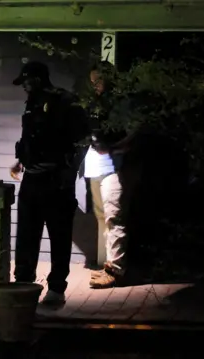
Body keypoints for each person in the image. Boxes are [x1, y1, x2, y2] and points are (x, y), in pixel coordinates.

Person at [10, 61, 87, 307]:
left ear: (38, 79)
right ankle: (23, 284)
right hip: (32, 177)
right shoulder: (32, 103)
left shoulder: (65, 101)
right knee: (26, 235)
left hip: (57, 180)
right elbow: (31, 138)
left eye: (27, 81)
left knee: (59, 235)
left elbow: (82, 140)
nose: (24, 87)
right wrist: (20, 161)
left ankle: (56, 288)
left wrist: (70, 171)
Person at [78, 62, 129, 289]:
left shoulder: (121, 103)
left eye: (99, 80)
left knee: (114, 216)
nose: (96, 85)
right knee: (104, 218)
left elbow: (135, 131)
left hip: (112, 166)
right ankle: (109, 265)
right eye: (93, 81)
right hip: (96, 165)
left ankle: (116, 270)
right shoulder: (96, 103)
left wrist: (115, 147)